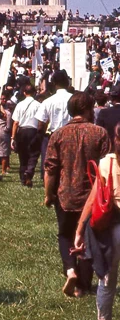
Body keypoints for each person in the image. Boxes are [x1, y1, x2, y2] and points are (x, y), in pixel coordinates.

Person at [44, 92, 109, 298]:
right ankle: (82, 285)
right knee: (90, 239)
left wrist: (48, 194)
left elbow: (50, 169)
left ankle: (70, 269)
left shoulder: (58, 134)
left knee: (65, 234)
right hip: (92, 195)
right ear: (89, 109)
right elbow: (106, 167)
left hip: (64, 193)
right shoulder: (100, 133)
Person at [74, 124, 120, 319]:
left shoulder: (107, 163)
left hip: (112, 225)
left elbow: (93, 199)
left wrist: (79, 229)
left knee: (107, 280)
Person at [36, 70, 73, 183]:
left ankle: (50, 185)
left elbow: (41, 123)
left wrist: (42, 134)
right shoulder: (73, 99)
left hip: (54, 135)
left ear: (54, 83)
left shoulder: (48, 101)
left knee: (52, 163)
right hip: (71, 134)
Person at [12, 84, 43, 187]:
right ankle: (29, 172)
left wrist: (13, 137)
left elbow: (15, 122)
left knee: (22, 155)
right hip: (33, 131)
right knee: (33, 154)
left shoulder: (19, 105)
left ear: (24, 93)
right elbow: (41, 121)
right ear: (35, 93)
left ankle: (22, 177)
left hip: (21, 131)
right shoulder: (38, 105)